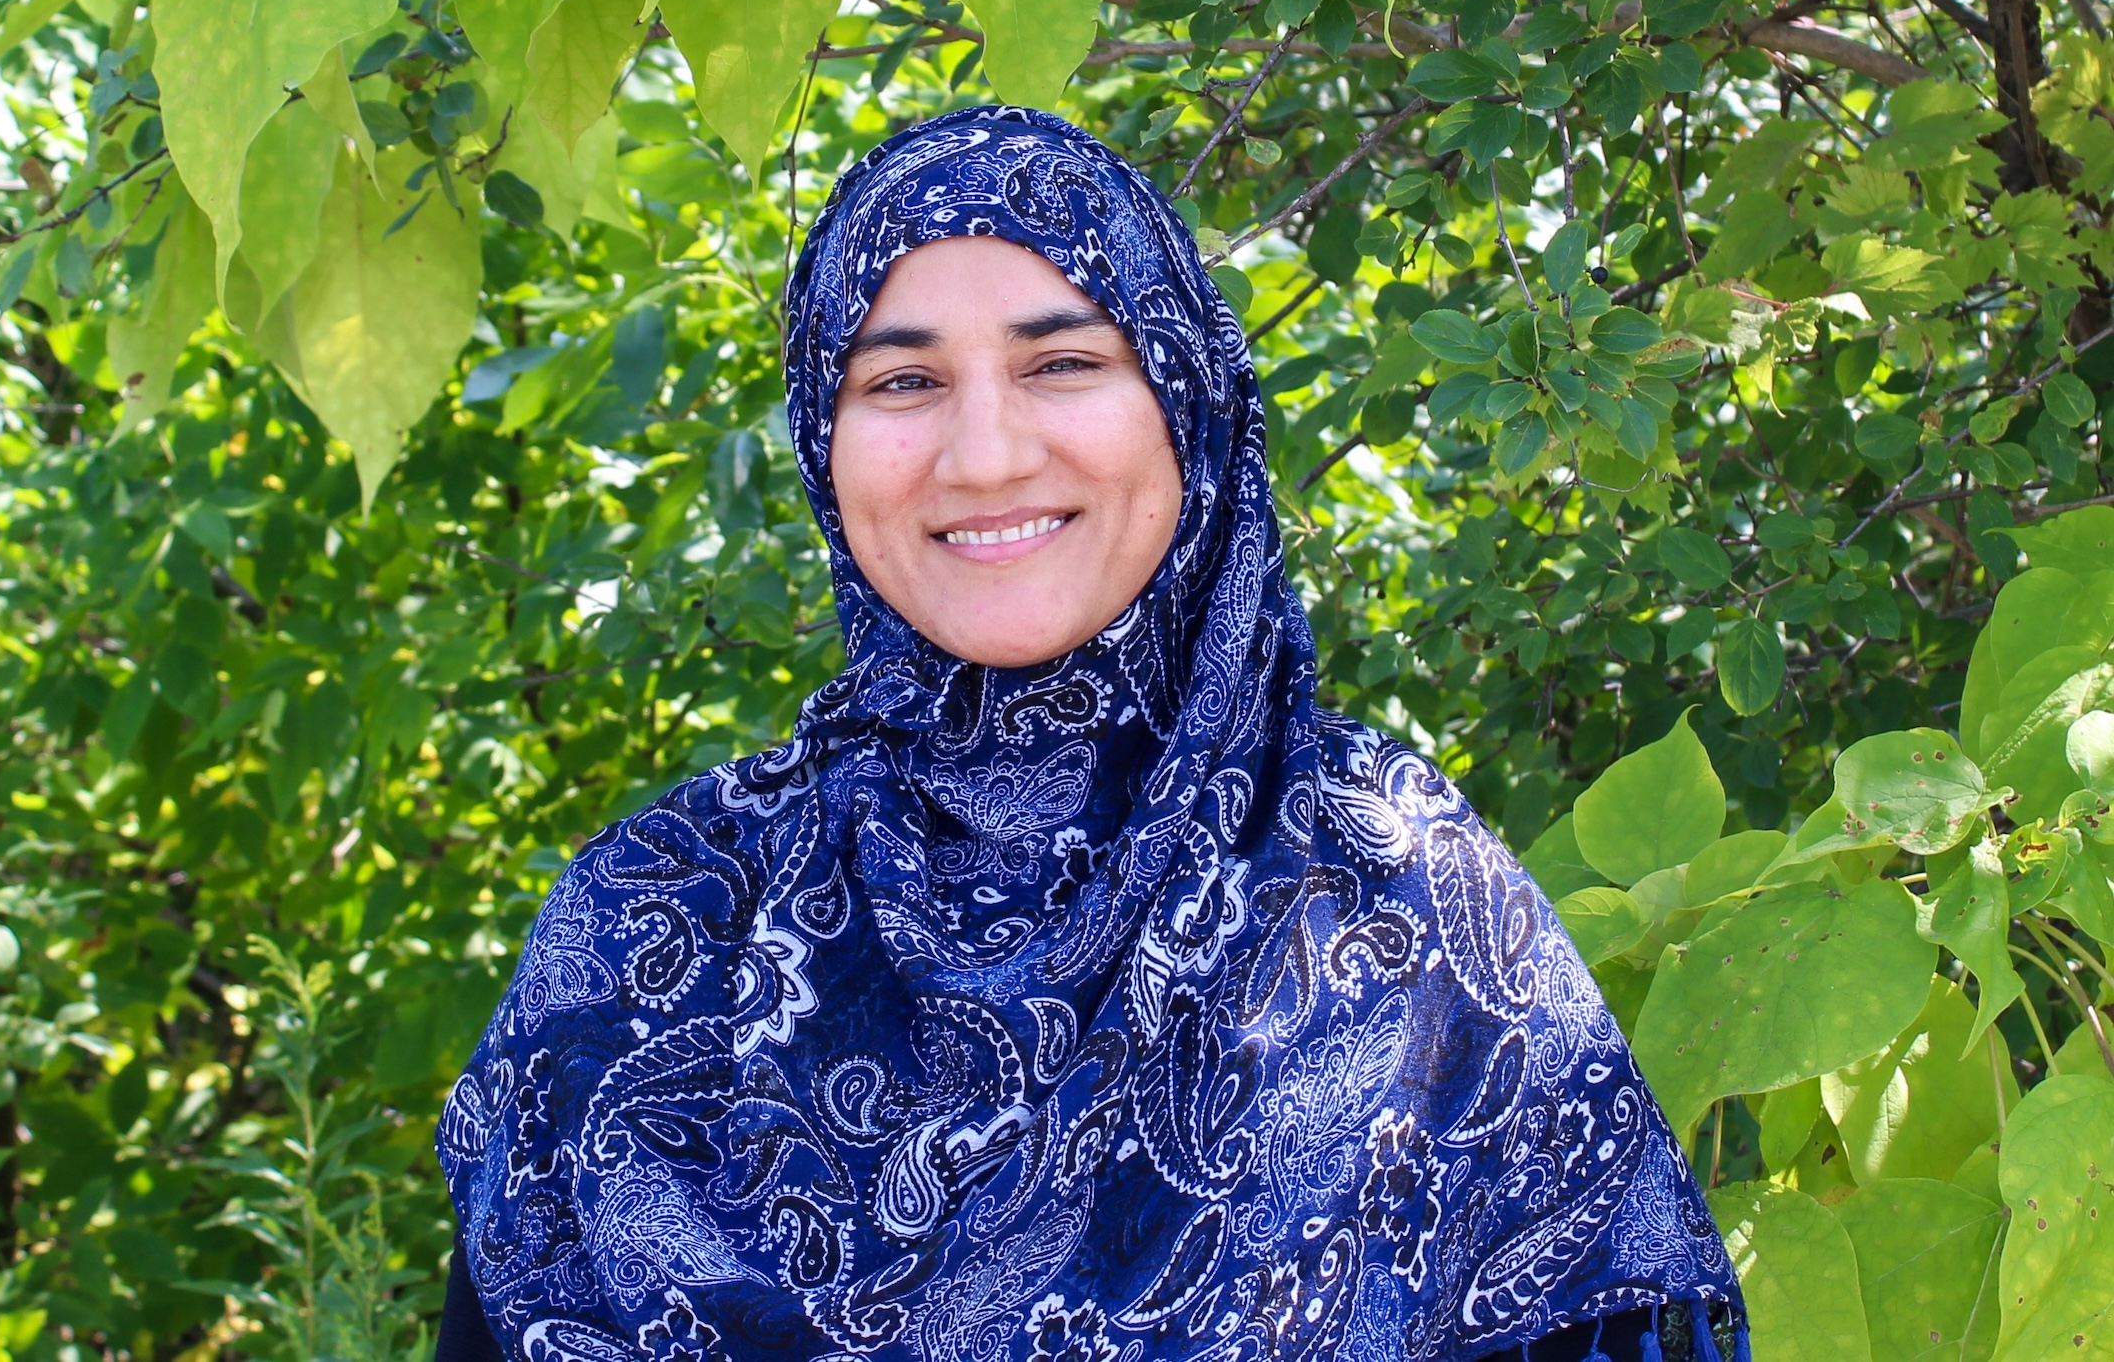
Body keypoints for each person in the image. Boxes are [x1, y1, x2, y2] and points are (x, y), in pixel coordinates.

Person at [432, 108, 1746, 1362]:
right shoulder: (658, 923)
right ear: (820, 440)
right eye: (903, 378)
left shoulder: (1394, 895)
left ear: (1187, 404)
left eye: (1062, 361)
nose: (987, 453)